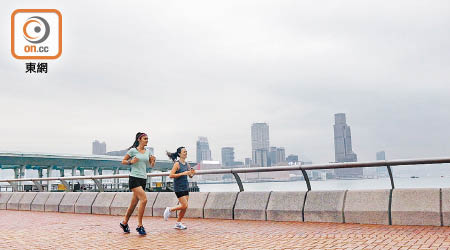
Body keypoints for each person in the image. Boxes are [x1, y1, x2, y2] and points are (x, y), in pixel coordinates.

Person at [119, 132, 156, 235]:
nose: (147, 140)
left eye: (148, 138)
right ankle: (140, 226)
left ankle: (124, 222)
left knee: (133, 204)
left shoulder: (148, 152)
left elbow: (151, 165)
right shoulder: (133, 151)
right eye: (145, 138)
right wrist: (131, 162)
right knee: (144, 200)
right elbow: (123, 161)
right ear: (139, 139)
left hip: (143, 179)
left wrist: (153, 161)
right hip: (134, 178)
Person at [163, 147, 195, 230]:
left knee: (185, 207)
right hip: (178, 187)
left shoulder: (187, 164)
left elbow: (190, 176)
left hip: (185, 186)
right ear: (179, 154)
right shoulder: (177, 164)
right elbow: (171, 175)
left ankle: (178, 223)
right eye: (184, 152)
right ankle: (170, 209)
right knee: (184, 205)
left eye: (186, 151)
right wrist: (182, 173)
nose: (186, 153)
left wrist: (192, 173)